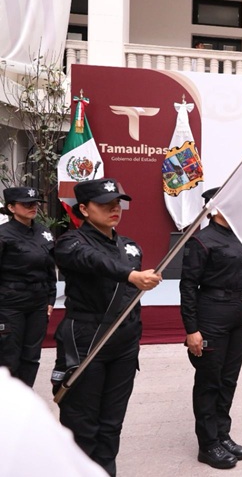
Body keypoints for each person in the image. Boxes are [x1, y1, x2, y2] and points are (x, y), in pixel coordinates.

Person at [53, 178, 162, 476]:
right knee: (82, 422)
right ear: (84, 210)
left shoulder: (130, 246)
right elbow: (93, 260)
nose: (114, 209)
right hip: (87, 339)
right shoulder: (70, 243)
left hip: (124, 344)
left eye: (117, 203)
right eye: (104, 205)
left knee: (112, 421)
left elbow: (130, 298)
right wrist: (131, 275)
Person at [180, 187, 242, 469]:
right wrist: (191, 329)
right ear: (215, 208)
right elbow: (188, 286)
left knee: (228, 379)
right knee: (209, 380)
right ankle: (208, 443)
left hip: (239, 315)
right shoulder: (202, 240)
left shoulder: (241, 235)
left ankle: (223, 434)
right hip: (212, 314)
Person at [0, 186, 56, 387]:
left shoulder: (43, 232)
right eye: (26, 204)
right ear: (11, 208)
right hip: (10, 303)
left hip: (38, 303)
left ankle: (26, 396)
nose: (33, 207)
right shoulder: (3, 234)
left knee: (31, 355)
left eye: (35, 203)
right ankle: (8, 399)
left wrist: (50, 299)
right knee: (9, 355)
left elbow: (50, 268)